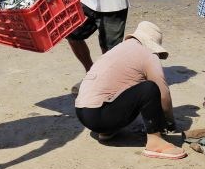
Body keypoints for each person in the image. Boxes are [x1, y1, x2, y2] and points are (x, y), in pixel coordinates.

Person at [74, 21, 186, 160]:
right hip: (99, 115)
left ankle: (107, 131)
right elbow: (163, 93)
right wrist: (169, 122)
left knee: (124, 86)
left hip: (82, 112)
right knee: (149, 88)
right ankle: (155, 143)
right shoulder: (148, 53)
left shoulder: (119, 49)